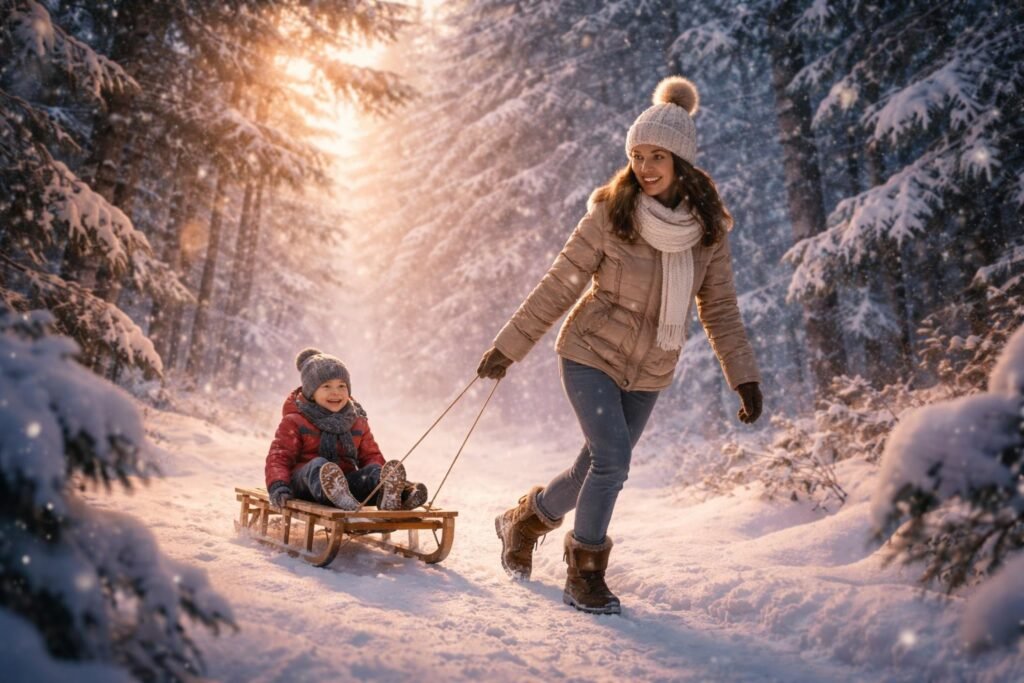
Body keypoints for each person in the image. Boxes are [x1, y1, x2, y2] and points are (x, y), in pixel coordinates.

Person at [478, 76, 764, 615]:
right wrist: (508, 348)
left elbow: (720, 308)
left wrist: (743, 377)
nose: (646, 167)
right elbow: (560, 283)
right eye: (637, 155)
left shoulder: (708, 231)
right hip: (590, 353)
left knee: (594, 465)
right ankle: (584, 572)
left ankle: (526, 518)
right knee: (613, 461)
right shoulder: (611, 213)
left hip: (651, 367)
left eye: (657, 155)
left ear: (682, 161)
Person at [265, 348, 428, 512]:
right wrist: (278, 485)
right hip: (304, 485)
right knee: (319, 465)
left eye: (342, 386)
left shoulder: (356, 421)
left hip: (345, 487)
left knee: (374, 470)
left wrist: (380, 474)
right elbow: (279, 457)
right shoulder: (295, 421)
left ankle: (396, 493)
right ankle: (336, 492)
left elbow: (371, 455)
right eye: (326, 386)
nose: (335, 392)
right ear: (311, 393)